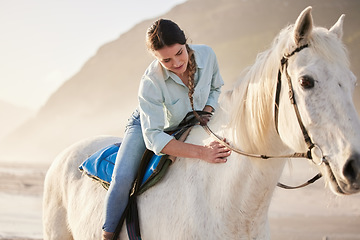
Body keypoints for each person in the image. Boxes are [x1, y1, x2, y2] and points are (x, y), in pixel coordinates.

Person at [102, 19, 231, 239]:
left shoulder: (207, 55)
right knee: (122, 178)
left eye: (180, 53)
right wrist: (202, 153)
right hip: (149, 124)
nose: (177, 62)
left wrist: (207, 110)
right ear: (155, 57)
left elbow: (216, 86)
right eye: (166, 60)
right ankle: (107, 235)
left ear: (185, 42)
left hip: (196, 116)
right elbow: (153, 138)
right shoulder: (151, 81)